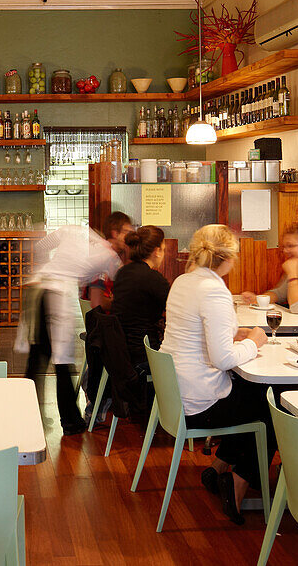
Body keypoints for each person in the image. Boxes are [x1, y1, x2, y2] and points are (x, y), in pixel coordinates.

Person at [160, 225, 271, 525]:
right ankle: (236, 484)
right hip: (200, 405)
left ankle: (220, 467)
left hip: (176, 397)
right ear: (230, 257)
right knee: (273, 407)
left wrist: (236, 333)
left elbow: (196, 332)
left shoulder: (183, 281)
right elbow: (222, 359)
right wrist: (254, 341)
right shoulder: (215, 290)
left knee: (255, 394)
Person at [21, 211, 133, 435]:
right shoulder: (109, 256)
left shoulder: (76, 230)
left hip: (39, 288)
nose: (129, 238)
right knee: (62, 360)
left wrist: (54, 266)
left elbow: (42, 245)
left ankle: (26, 416)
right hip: (55, 296)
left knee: (39, 357)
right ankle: (70, 422)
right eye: (127, 233)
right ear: (115, 232)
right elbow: (124, 287)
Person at [112, 225, 171, 365]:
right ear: (157, 251)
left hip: (119, 350)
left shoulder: (122, 273)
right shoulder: (153, 278)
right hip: (145, 353)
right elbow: (177, 311)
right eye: (164, 249)